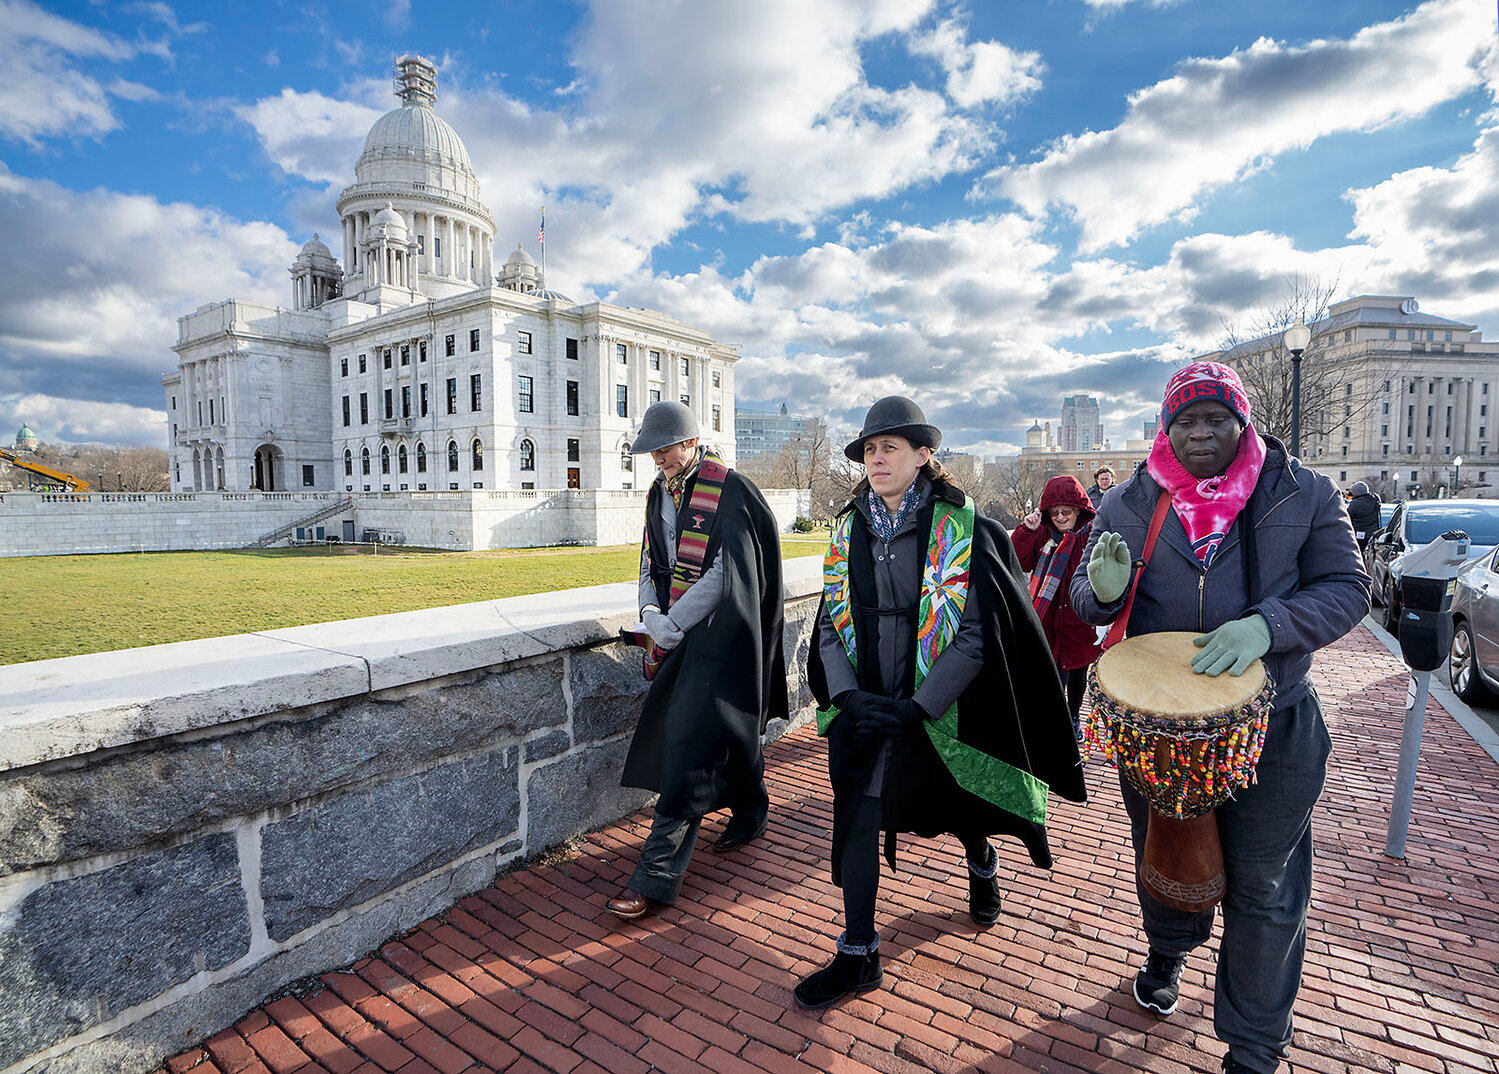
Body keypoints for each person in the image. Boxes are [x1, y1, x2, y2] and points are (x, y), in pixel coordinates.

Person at [1070, 362, 1370, 1074]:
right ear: (1164, 427)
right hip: (1157, 732)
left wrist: (1269, 625)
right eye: (1184, 420)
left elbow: (1348, 587)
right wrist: (1102, 592)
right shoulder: (1126, 500)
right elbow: (1085, 597)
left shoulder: (1301, 490)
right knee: (1168, 862)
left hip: (1275, 725)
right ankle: (1167, 954)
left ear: (1241, 421)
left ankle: (1253, 1044)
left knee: (1266, 886)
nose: (1199, 433)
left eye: (1215, 418)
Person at [796, 395, 1086, 1009]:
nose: (877, 460)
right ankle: (858, 952)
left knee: (959, 802)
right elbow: (829, 622)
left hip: (940, 705)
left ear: (923, 455)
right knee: (858, 813)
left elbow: (981, 633)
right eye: (870, 450)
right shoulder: (847, 529)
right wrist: (847, 695)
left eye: (890, 448)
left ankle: (981, 862)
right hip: (868, 703)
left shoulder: (964, 529)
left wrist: (921, 705)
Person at [607, 401, 787, 922]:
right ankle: (752, 807)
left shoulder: (729, 491)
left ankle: (655, 876)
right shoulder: (658, 492)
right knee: (721, 733)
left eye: (665, 447)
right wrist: (647, 610)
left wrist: (672, 622)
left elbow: (730, 575)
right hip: (676, 634)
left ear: (690, 442)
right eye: (652, 450)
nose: (658, 457)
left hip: (721, 637)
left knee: (686, 743)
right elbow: (649, 557)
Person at [1011, 475, 1103, 738]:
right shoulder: (1041, 532)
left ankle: (1073, 716)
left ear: (1079, 511)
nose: (1061, 517)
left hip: (1079, 619)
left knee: (1077, 675)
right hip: (1047, 619)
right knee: (1053, 676)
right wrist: (1026, 531)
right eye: (1055, 512)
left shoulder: (1091, 535)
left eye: (1067, 512)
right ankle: (1056, 720)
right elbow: (1019, 561)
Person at [1346, 481, 1382, 551]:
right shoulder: (1374, 500)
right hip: (1372, 535)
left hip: (1358, 536)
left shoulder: (1355, 504)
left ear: (1356, 493)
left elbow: (1347, 517)